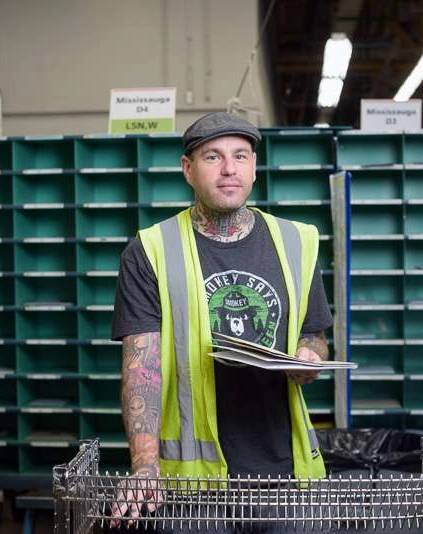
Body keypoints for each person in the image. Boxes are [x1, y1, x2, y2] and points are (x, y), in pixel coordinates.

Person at [110, 112, 334, 527]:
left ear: (254, 167)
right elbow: (142, 368)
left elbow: (313, 333)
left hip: (285, 474)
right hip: (192, 486)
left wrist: (310, 356)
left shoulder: (297, 241)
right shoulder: (150, 250)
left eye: (240, 156)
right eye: (213, 156)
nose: (229, 168)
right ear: (188, 169)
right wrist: (144, 466)